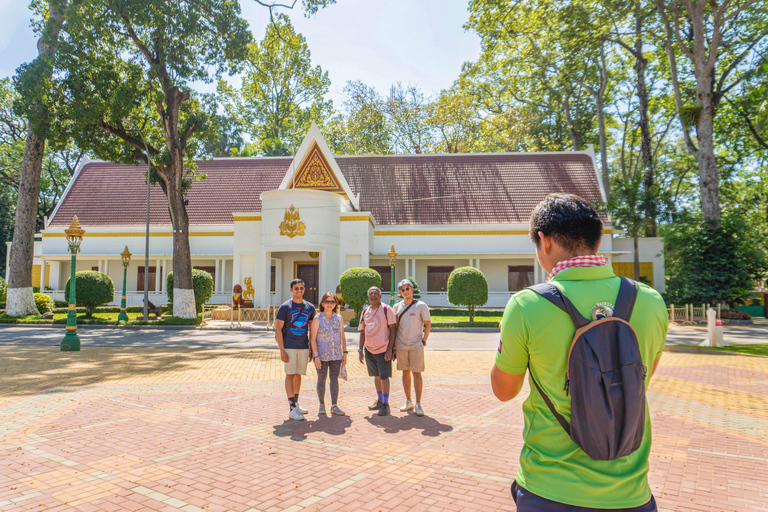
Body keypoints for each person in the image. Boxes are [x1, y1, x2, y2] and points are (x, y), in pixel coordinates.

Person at [491, 193, 667, 511]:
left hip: (549, 487)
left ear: (543, 241)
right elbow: (640, 379)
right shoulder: (651, 301)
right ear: (597, 243)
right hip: (630, 491)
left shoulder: (527, 304)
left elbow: (504, 391)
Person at [275, 279, 316, 421]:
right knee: (290, 375)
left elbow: (312, 329)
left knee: (299, 374)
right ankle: (291, 408)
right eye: (296, 288)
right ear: (291, 290)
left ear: (304, 289)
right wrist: (282, 350)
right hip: (289, 346)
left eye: (301, 288)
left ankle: (296, 404)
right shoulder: (285, 307)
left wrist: (311, 349)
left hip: (303, 346)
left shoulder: (310, 307)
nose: (299, 290)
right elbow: (278, 330)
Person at [393, 279, 431, 416]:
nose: (405, 292)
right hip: (401, 345)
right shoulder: (397, 307)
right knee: (405, 372)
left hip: (416, 345)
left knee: (417, 373)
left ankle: (418, 403)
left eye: (407, 288)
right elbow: (394, 327)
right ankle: (408, 401)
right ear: (400, 293)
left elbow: (428, 324)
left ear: (412, 290)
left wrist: (423, 341)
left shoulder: (421, 306)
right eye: (402, 290)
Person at [358, 286, 397, 416]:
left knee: (384, 377)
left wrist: (389, 350)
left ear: (380, 296)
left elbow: (393, 330)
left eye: (376, 293)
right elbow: (362, 331)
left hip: (383, 350)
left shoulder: (387, 309)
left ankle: (386, 404)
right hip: (369, 350)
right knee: (376, 376)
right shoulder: (365, 311)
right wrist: (360, 349)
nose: (373, 295)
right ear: (368, 297)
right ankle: (380, 400)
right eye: (370, 293)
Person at [310, 291, 348, 416]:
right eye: (327, 302)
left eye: (332, 301)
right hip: (321, 355)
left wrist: (345, 353)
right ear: (322, 303)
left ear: (335, 303)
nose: (329, 304)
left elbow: (342, 336)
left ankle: (334, 405)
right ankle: (321, 405)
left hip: (336, 354)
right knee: (321, 379)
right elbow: (313, 339)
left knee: (334, 379)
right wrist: (316, 356)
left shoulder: (339, 318)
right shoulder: (317, 318)